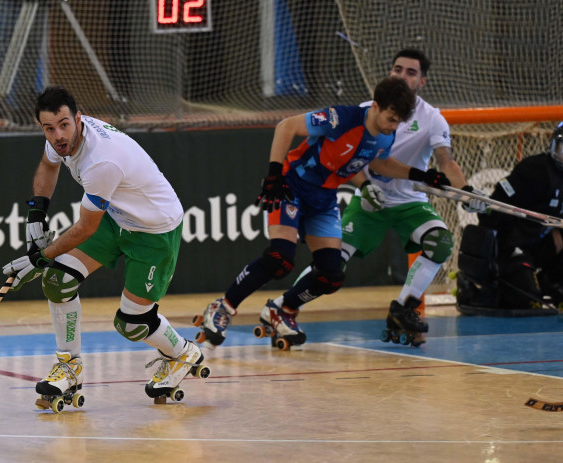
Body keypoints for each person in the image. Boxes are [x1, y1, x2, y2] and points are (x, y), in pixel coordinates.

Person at [196, 75, 451, 350]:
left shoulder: (386, 133)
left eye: (399, 121)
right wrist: (273, 174)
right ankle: (222, 307)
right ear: (375, 106)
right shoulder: (339, 118)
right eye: (391, 118)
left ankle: (283, 311)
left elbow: (380, 163)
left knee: (331, 275)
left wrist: (422, 175)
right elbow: (286, 127)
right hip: (292, 186)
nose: (394, 126)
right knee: (280, 258)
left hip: (324, 199)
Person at [2, 85, 207, 406]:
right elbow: (48, 165)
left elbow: (85, 228)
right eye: (49, 128)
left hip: (154, 231)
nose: (57, 135)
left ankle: (184, 352)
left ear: (78, 119)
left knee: (132, 323)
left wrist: (39, 257)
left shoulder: (101, 162)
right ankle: (69, 367)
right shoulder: (60, 136)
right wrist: (36, 214)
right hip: (118, 216)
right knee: (58, 279)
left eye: (64, 125)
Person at [283, 48, 487, 346]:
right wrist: (365, 184)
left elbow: (446, 162)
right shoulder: (368, 109)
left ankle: (402, 308)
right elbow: (347, 158)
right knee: (331, 265)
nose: (402, 76)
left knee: (441, 243)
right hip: (369, 203)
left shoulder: (433, 119)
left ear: (423, 82)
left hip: (410, 203)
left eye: (411, 72)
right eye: (397, 69)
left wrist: (466, 192)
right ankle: (283, 308)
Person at [459, 121, 563, 310]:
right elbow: (496, 205)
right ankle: (482, 286)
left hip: (540, 244)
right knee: (525, 301)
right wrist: (492, 256)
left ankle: (551, 283)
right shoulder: (535, 171)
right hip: (511, 245)